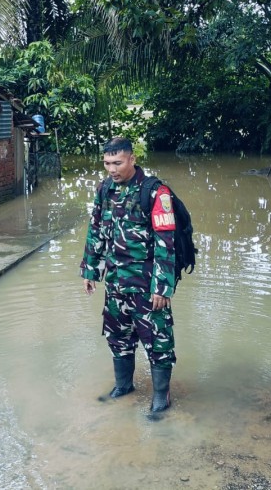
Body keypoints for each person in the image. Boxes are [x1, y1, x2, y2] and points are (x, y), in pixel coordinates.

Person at [80, 137, 177, 413]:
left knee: (158, 340)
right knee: (117, 336)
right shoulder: (105, 189)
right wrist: (91, 269)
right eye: (107, 163)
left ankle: (161, 396)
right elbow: (96, 228)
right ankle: (124, 385)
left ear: (132, 159)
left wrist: (162, 287)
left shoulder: (156, 193)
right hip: (115, 282)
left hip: (147, 286)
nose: (112, 169)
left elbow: (166, 243)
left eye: (118, 163)